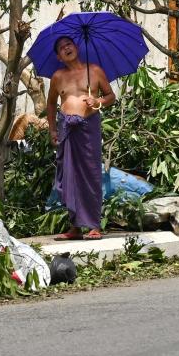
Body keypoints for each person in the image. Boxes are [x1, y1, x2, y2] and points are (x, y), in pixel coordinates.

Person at [46, 35, 115, 240]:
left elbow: (111, 96)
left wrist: (98, 101)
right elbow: (51, 104)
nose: (66, 48)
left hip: (88, 127)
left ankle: (94, 225)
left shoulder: (94, 71)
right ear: (59, 56)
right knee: (69, 177)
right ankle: (75, 228)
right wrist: (52, 130)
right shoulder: (58, 76)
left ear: (76, 47)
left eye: (69, 44)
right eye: (61, 48)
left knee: (91, 174)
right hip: (66, 128)